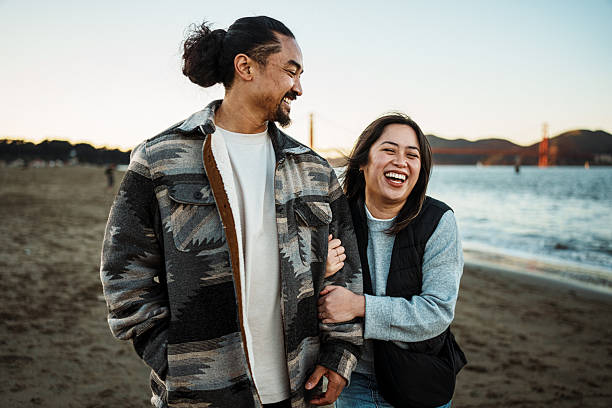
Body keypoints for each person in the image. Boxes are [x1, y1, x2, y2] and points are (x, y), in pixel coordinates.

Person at [100, 16, 362, 408]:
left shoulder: (313, 169)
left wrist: (340, 356)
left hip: (299, 386)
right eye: (291, 71)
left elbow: (348, 273)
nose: (299, 87)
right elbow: (124, 273)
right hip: (202, 393)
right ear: (246, 67)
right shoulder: (160, 159)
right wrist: (172, 359)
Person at [319, 113, 466, 408]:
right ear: (363, 161)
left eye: (412, 155)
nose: (401, 161)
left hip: (419, 382)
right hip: (352, 381)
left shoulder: (438, 221)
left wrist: (359, 305)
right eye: (389, 150)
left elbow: (436, 313)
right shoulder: (333, 217)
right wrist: (317, 271)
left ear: (420, 169)